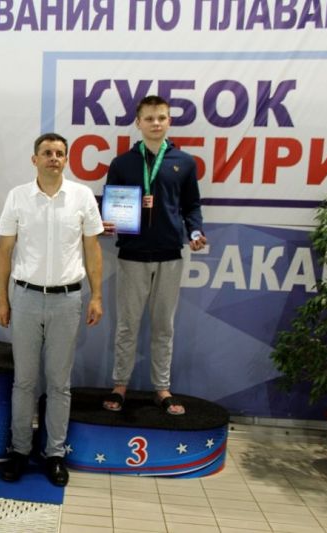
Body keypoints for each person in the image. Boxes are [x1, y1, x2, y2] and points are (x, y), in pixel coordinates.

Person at [0, 133, 104, 487]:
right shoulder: (18, 197)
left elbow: (93, 250)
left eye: (59, 153)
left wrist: (97, 296)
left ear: (66, 159)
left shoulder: (82, 197)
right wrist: (2, 298)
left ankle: (54, 454)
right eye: (47, 153)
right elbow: (4, 252)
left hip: (68, 300)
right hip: (25, 298)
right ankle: (20, 451)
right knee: (24, 381)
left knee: (59, 384)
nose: (53, 158)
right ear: (35, 159)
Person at [101, 95, 207, 416]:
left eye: (161, 118)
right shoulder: (122, 163)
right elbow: (111, 207)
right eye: (149, 118)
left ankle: (162, 388)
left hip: (170, 255)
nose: (156, 123)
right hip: (132, 255)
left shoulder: (184, 162)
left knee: (164, 326)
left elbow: (191, 206)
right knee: (127, 326)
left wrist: (195, 232)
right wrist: (109, 221)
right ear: (138, 123)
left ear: (169, 121)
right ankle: (120, 385)